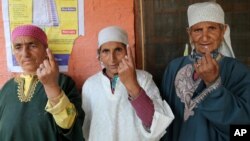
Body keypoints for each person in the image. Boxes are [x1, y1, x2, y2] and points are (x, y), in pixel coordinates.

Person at [161, 1, 250, 141]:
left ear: (223, 31)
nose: (205, 37)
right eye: (197, 30)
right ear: (189, 33)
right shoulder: (174, 68)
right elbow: (165, 125)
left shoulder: (237, 71)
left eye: (212, 28)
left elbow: (243, 132)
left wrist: (213, 84)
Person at [81, 26, 174, 141]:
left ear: (127, 51)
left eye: (118, 50)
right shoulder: (90, 85)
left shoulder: (143, 79)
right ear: (99, 55)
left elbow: (155, 124)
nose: (112, 59)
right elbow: (87, 127)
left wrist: (132, 84)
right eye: (105, 51)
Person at [0, 24, 84, 141]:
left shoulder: (64, 83)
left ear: (46, 50)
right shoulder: (6, 88)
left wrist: (51, 85)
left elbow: (71, 126)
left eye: (32, 46)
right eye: (18, 47)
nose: (25, 54)